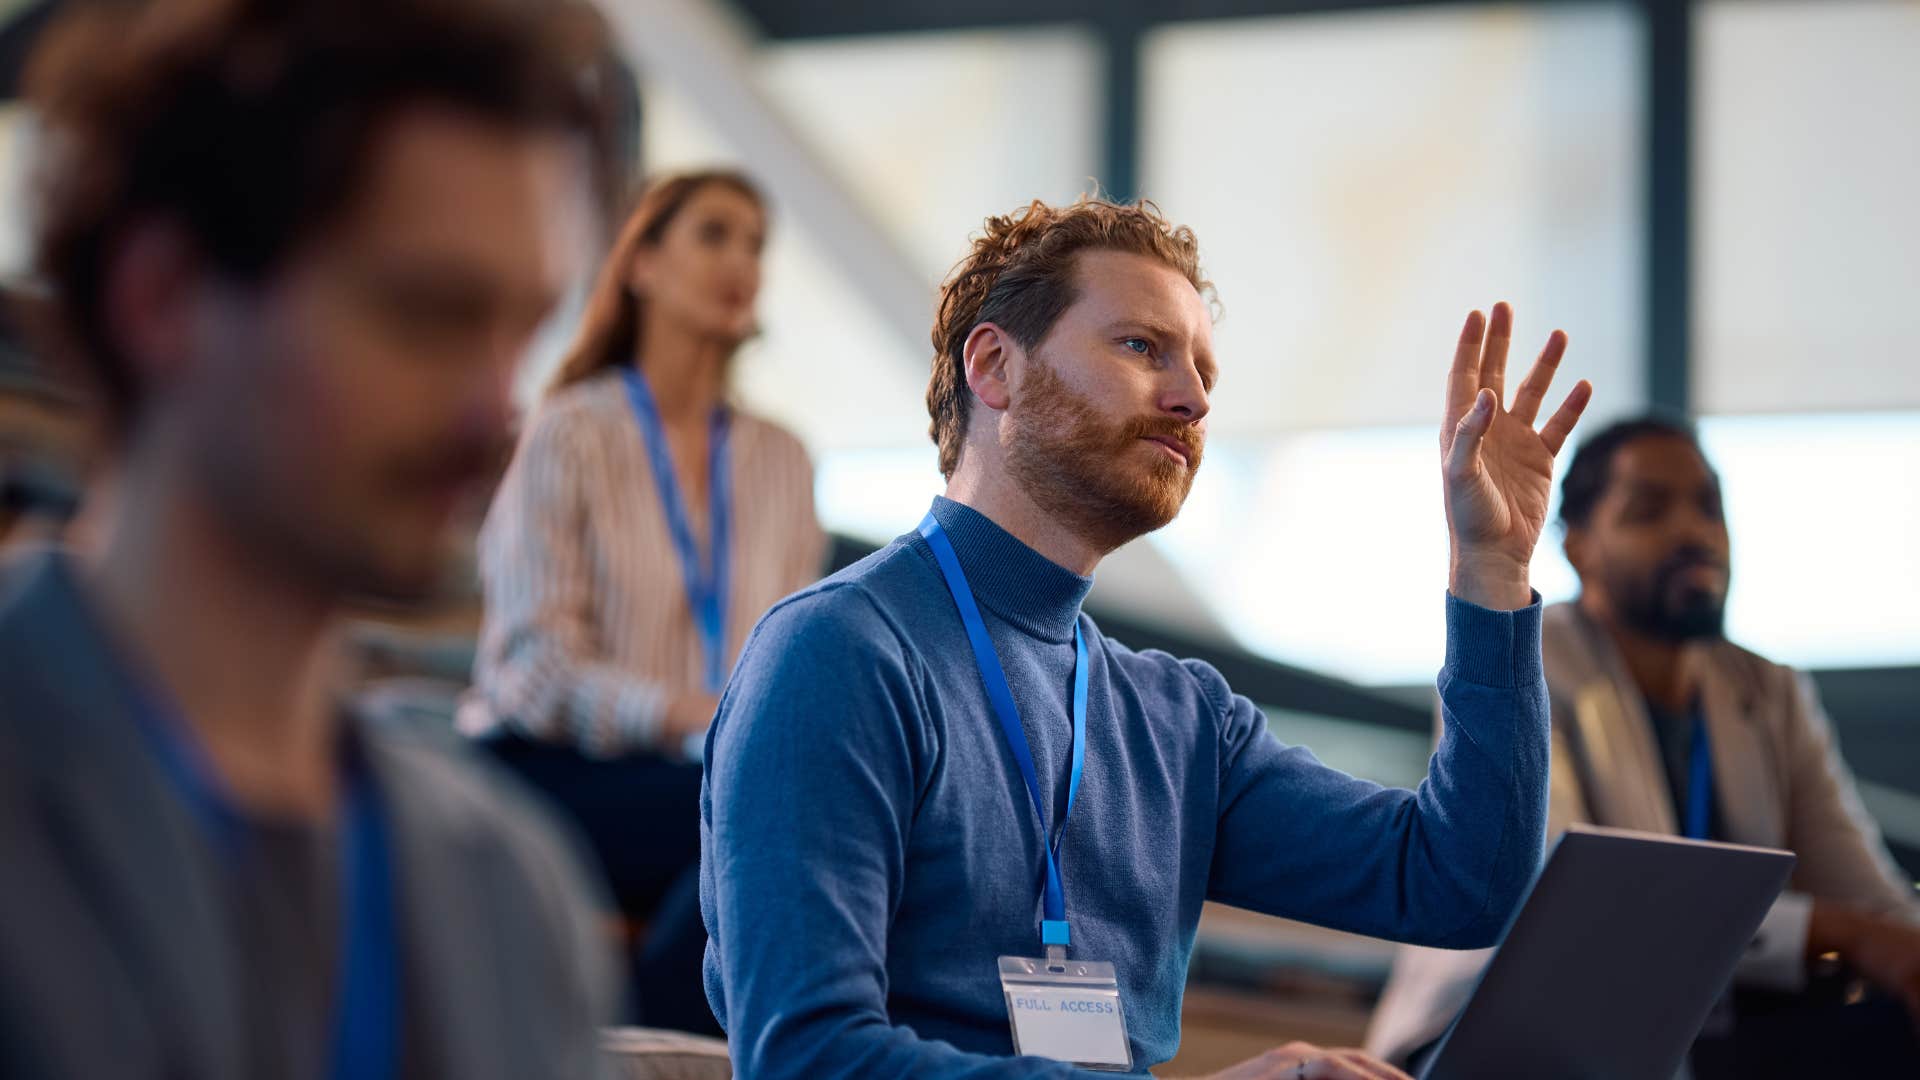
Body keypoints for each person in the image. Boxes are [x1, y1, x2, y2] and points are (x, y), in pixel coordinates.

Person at [699, 196, 1594, 1078]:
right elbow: (807, 1058)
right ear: (995, 367)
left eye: (1205, 373)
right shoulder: (838, 653)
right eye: (1141, 347)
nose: (1193, 399)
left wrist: (1491, 570)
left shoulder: (1180, 719)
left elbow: (1462, 884)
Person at [0, 1, 623, 1076]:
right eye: (427, 315)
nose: (498, 409)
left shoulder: (511, 896)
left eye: (523, 330)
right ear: (163, 295)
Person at [1367, 415, 1920, 1077]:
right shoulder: (1521, 669)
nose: (1693, 532)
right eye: (1649, 510)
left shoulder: (1768, 691)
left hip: (1699, 1025)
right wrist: (1843, 933)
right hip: (1521, 1028)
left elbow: (1871, 902)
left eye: (1708, 507)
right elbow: (1574, 915)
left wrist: (1891, 942)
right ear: (1579, 547)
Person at [462, 169, 825, 1032]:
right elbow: (533, 670)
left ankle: (631, 1046)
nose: (742, 262)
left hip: (708, 772)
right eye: (714, 234)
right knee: (759, 833)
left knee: (805, 829)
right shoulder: (570, 431)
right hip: (554, 765)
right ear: (642, 265)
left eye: (756, 244)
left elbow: (793, 656)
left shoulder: (783, 460)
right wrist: (686, 712)